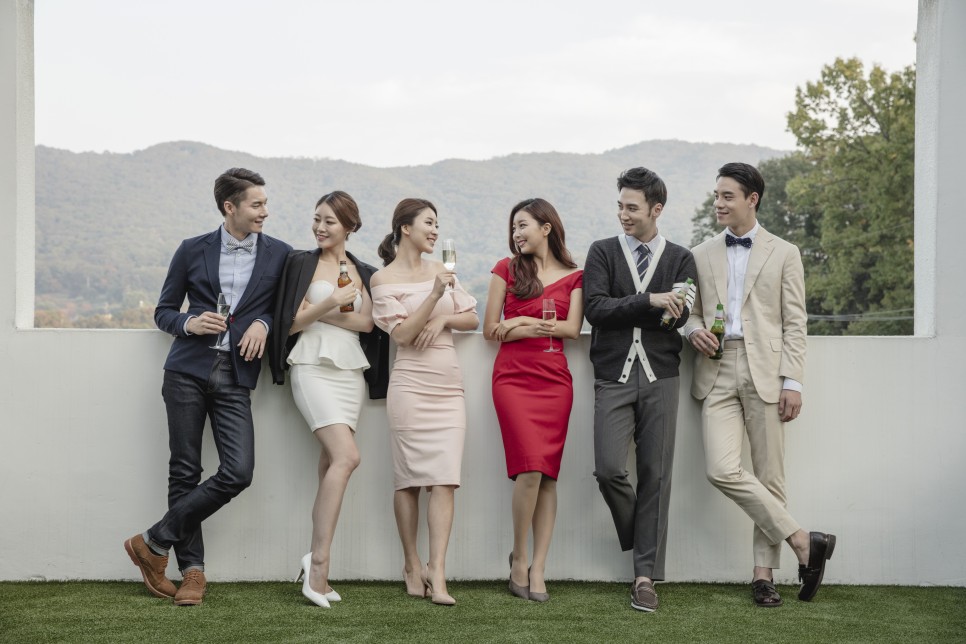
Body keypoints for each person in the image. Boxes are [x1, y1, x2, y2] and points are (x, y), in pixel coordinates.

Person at [124, 168, 292, 606]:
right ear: (229, 207)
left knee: (238, 472)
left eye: (265, 203)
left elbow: (284, 309)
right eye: (257, 204)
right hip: (186, 370)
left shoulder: (280, 254)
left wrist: (263, 322)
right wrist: (190, 322)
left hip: (237, 375)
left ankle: (152, 541)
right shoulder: (191, 249)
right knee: (184, 470)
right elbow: (163, 311)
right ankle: (192, 573)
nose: (265, 212)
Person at [683, 162, 835, 607]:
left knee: (771, 476)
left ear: (752, 199)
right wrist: (693, 331)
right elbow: (689, 311)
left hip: (768, 370)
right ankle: (803, 540)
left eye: (727, 196)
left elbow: (795, 322)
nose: (718, 203)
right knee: (720, 469)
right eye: (716, 195)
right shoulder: (699, 253)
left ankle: (763, 576)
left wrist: (793, 381)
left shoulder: (785, 252)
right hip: (715, 368)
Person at [268, 191, 389, 608]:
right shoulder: (298, 263)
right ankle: (318, 565)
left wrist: (320, 308)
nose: (319, 227)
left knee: (329, 467)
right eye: (316, 218)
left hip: (350, 372)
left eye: (329, 221)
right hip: (311, 365)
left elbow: (368, 324)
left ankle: (315, 560)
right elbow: (288, 324)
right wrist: (333, 304)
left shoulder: (365, 271)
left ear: (350, 226)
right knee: (347, 457)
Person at [583, 167, 696, 612]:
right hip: (613, 374)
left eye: (632, 207)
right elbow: (595, 309)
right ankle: (642, 533)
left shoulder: (681, 258)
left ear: (656, 209)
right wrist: (649, 300)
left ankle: (645, 577)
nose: (623, 214)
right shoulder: (603, 252)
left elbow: (677, 318)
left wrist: (660, 308)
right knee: (609, 468)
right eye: (620, 206)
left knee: (657, 475)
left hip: (661, 375)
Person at [370, 198, 479, 606]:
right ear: (405, 228)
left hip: (448, 388)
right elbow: (400, 335)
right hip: (410, 386)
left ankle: (439, 571)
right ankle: (412, 564)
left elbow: (471, 316)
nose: (435, 231)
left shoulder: (442, 270)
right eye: (428, 223)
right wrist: (434, 297)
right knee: (409, 481)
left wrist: (445, 317)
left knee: (445, 479)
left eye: (437, 224)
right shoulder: (382, 279)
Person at [483, 198, 583, 603]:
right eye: (513, 228)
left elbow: (572, 329)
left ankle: (539, 566)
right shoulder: (505, 269)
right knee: (528, 470)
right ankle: (519, 558)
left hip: (555, 382)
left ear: (546, 227)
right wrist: (527, 324)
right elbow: (491, 329)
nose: (516, 234)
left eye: (522, 225)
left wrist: (519, 322)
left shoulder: (576, 275)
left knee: (547, 476)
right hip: (512, 379)